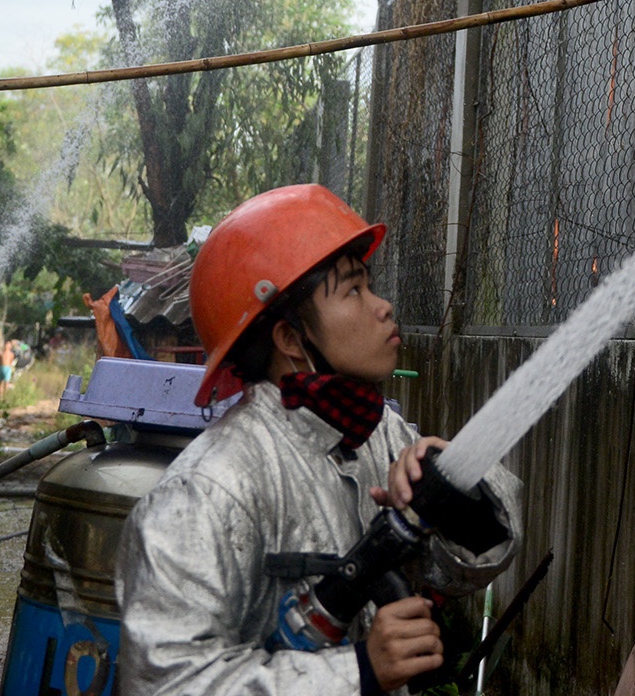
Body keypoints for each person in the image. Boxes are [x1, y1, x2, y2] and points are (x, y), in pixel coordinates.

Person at [117, 185, 520, 696]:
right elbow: (164, 684)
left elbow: (472, 563)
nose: (383, 306)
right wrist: (360, 672)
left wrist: (454, 487)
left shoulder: (377, 432)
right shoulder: (205, 492)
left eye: (369, 286)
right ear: (290, 340)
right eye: (354, 291)